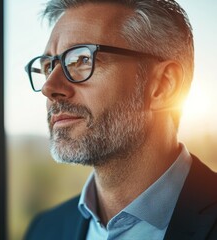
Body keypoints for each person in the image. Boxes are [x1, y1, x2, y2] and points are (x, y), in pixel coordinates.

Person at [24, 0, 217, 239]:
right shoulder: (44, 229)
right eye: (47, 66)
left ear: (163, 86)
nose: (49, 87)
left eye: (82, 60)